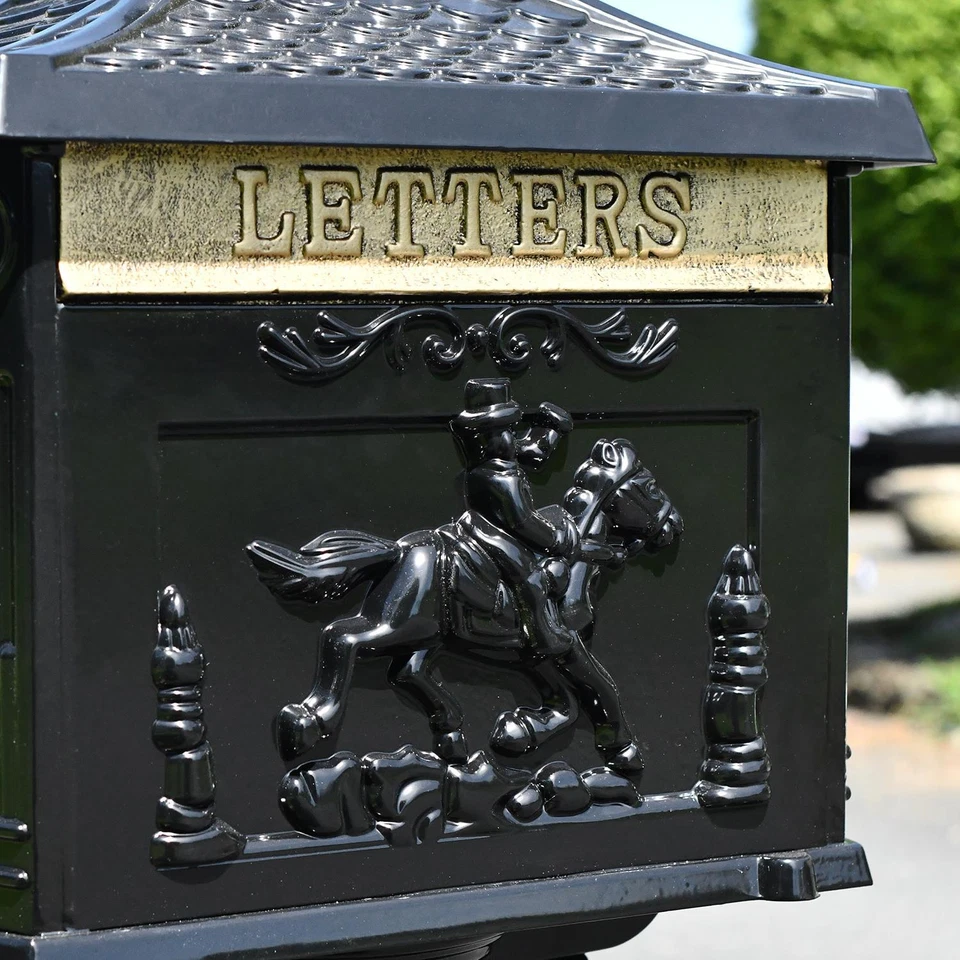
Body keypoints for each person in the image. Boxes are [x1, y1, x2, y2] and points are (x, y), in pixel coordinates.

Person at [449, 378, 581, 656]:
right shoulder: (502, 478)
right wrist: (556, 540)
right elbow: (522, 522)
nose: (514, 437)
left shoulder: (494, 462)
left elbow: (532, 452)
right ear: (490, 438)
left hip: (479, 524)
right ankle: (541, 634)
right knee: (529, 576)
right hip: (490, 532)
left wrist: (551, 429)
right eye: (508, 430)